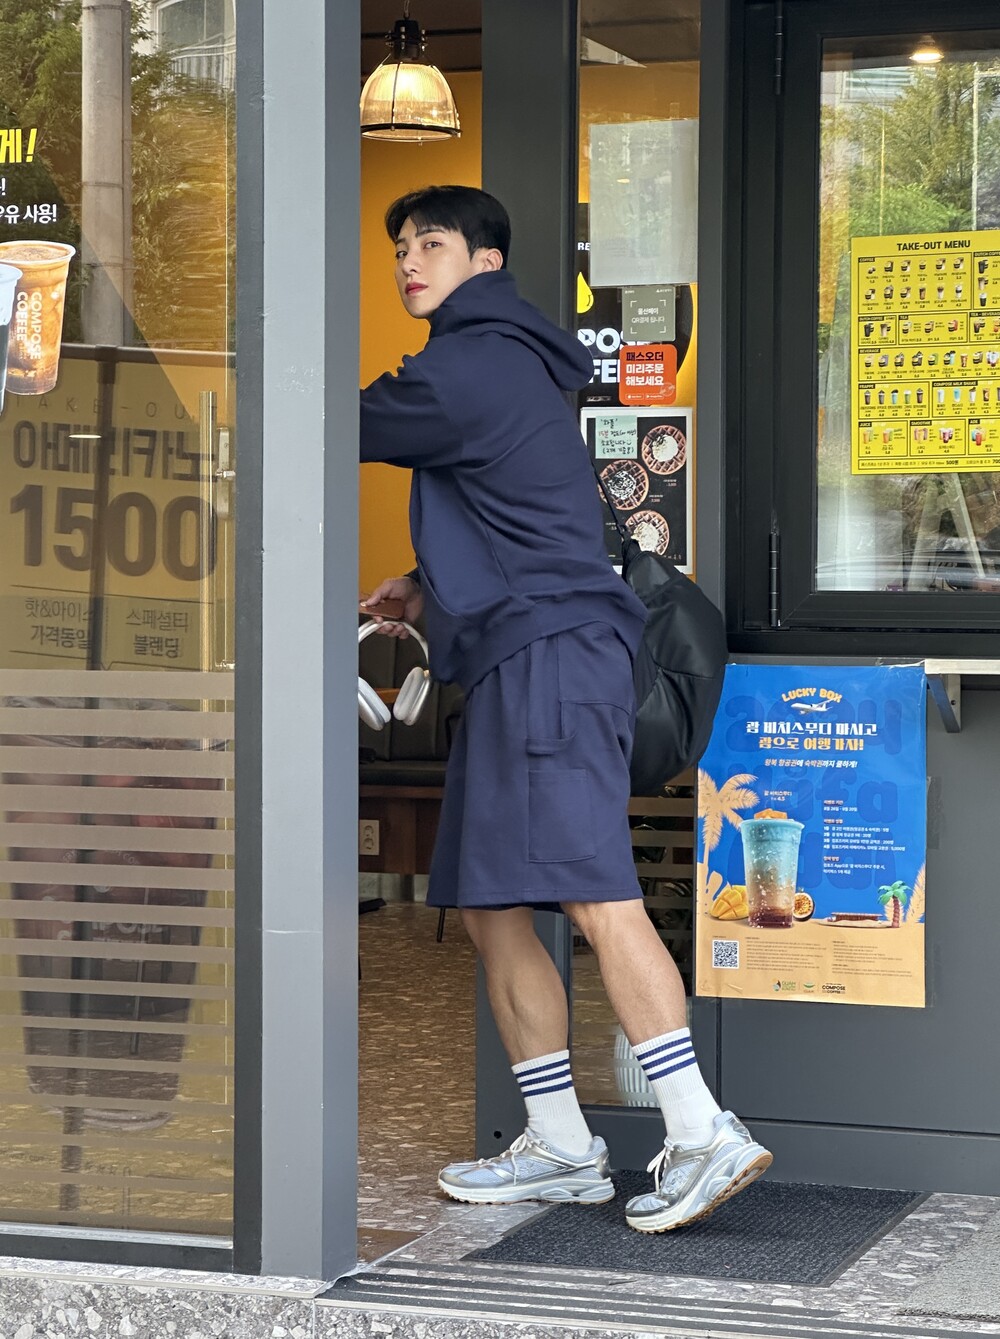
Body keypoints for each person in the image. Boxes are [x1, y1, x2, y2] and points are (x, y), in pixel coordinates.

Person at [360, 184, 771, 1232]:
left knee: (594, 891)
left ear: (485, 261)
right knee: (492, 902)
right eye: (401, 246)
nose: (410, 261)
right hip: (518, 654)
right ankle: (559, 1143)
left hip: (550, 657)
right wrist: (427, 586)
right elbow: (520, 514)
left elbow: (332, 417)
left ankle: (701, 1128)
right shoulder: (503, 361)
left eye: (433, 243)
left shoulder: (475, 357)